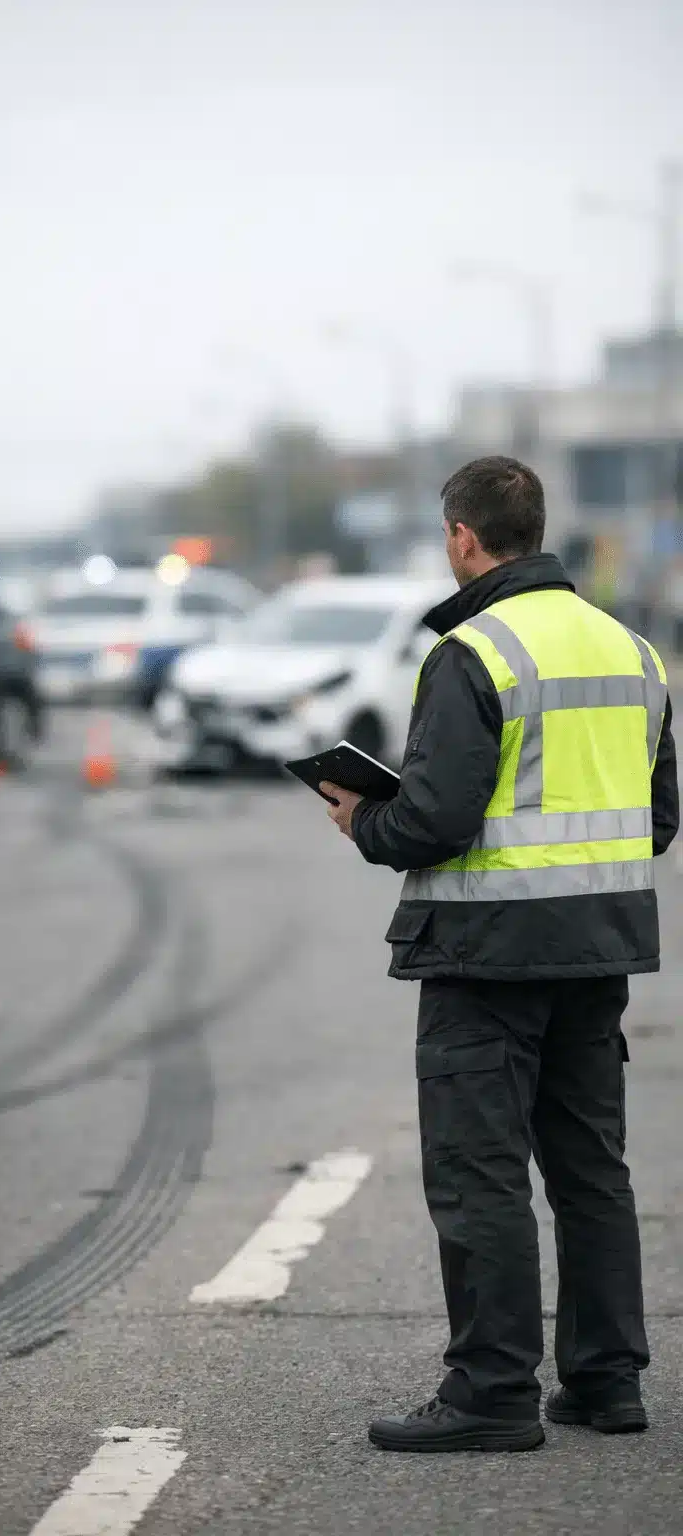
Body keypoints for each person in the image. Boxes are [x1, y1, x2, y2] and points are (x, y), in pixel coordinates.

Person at [321, 456, 679, 1453]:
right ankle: (606, 1382)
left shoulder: (473, 653)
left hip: (486, 954)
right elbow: (657, 820)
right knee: (588, 1169)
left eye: (447, 536)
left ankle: (491, 1391)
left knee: (479, 1171)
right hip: (597, 950)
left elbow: (432, 819)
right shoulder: (632, 651)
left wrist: (363, 819)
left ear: (464, 538)